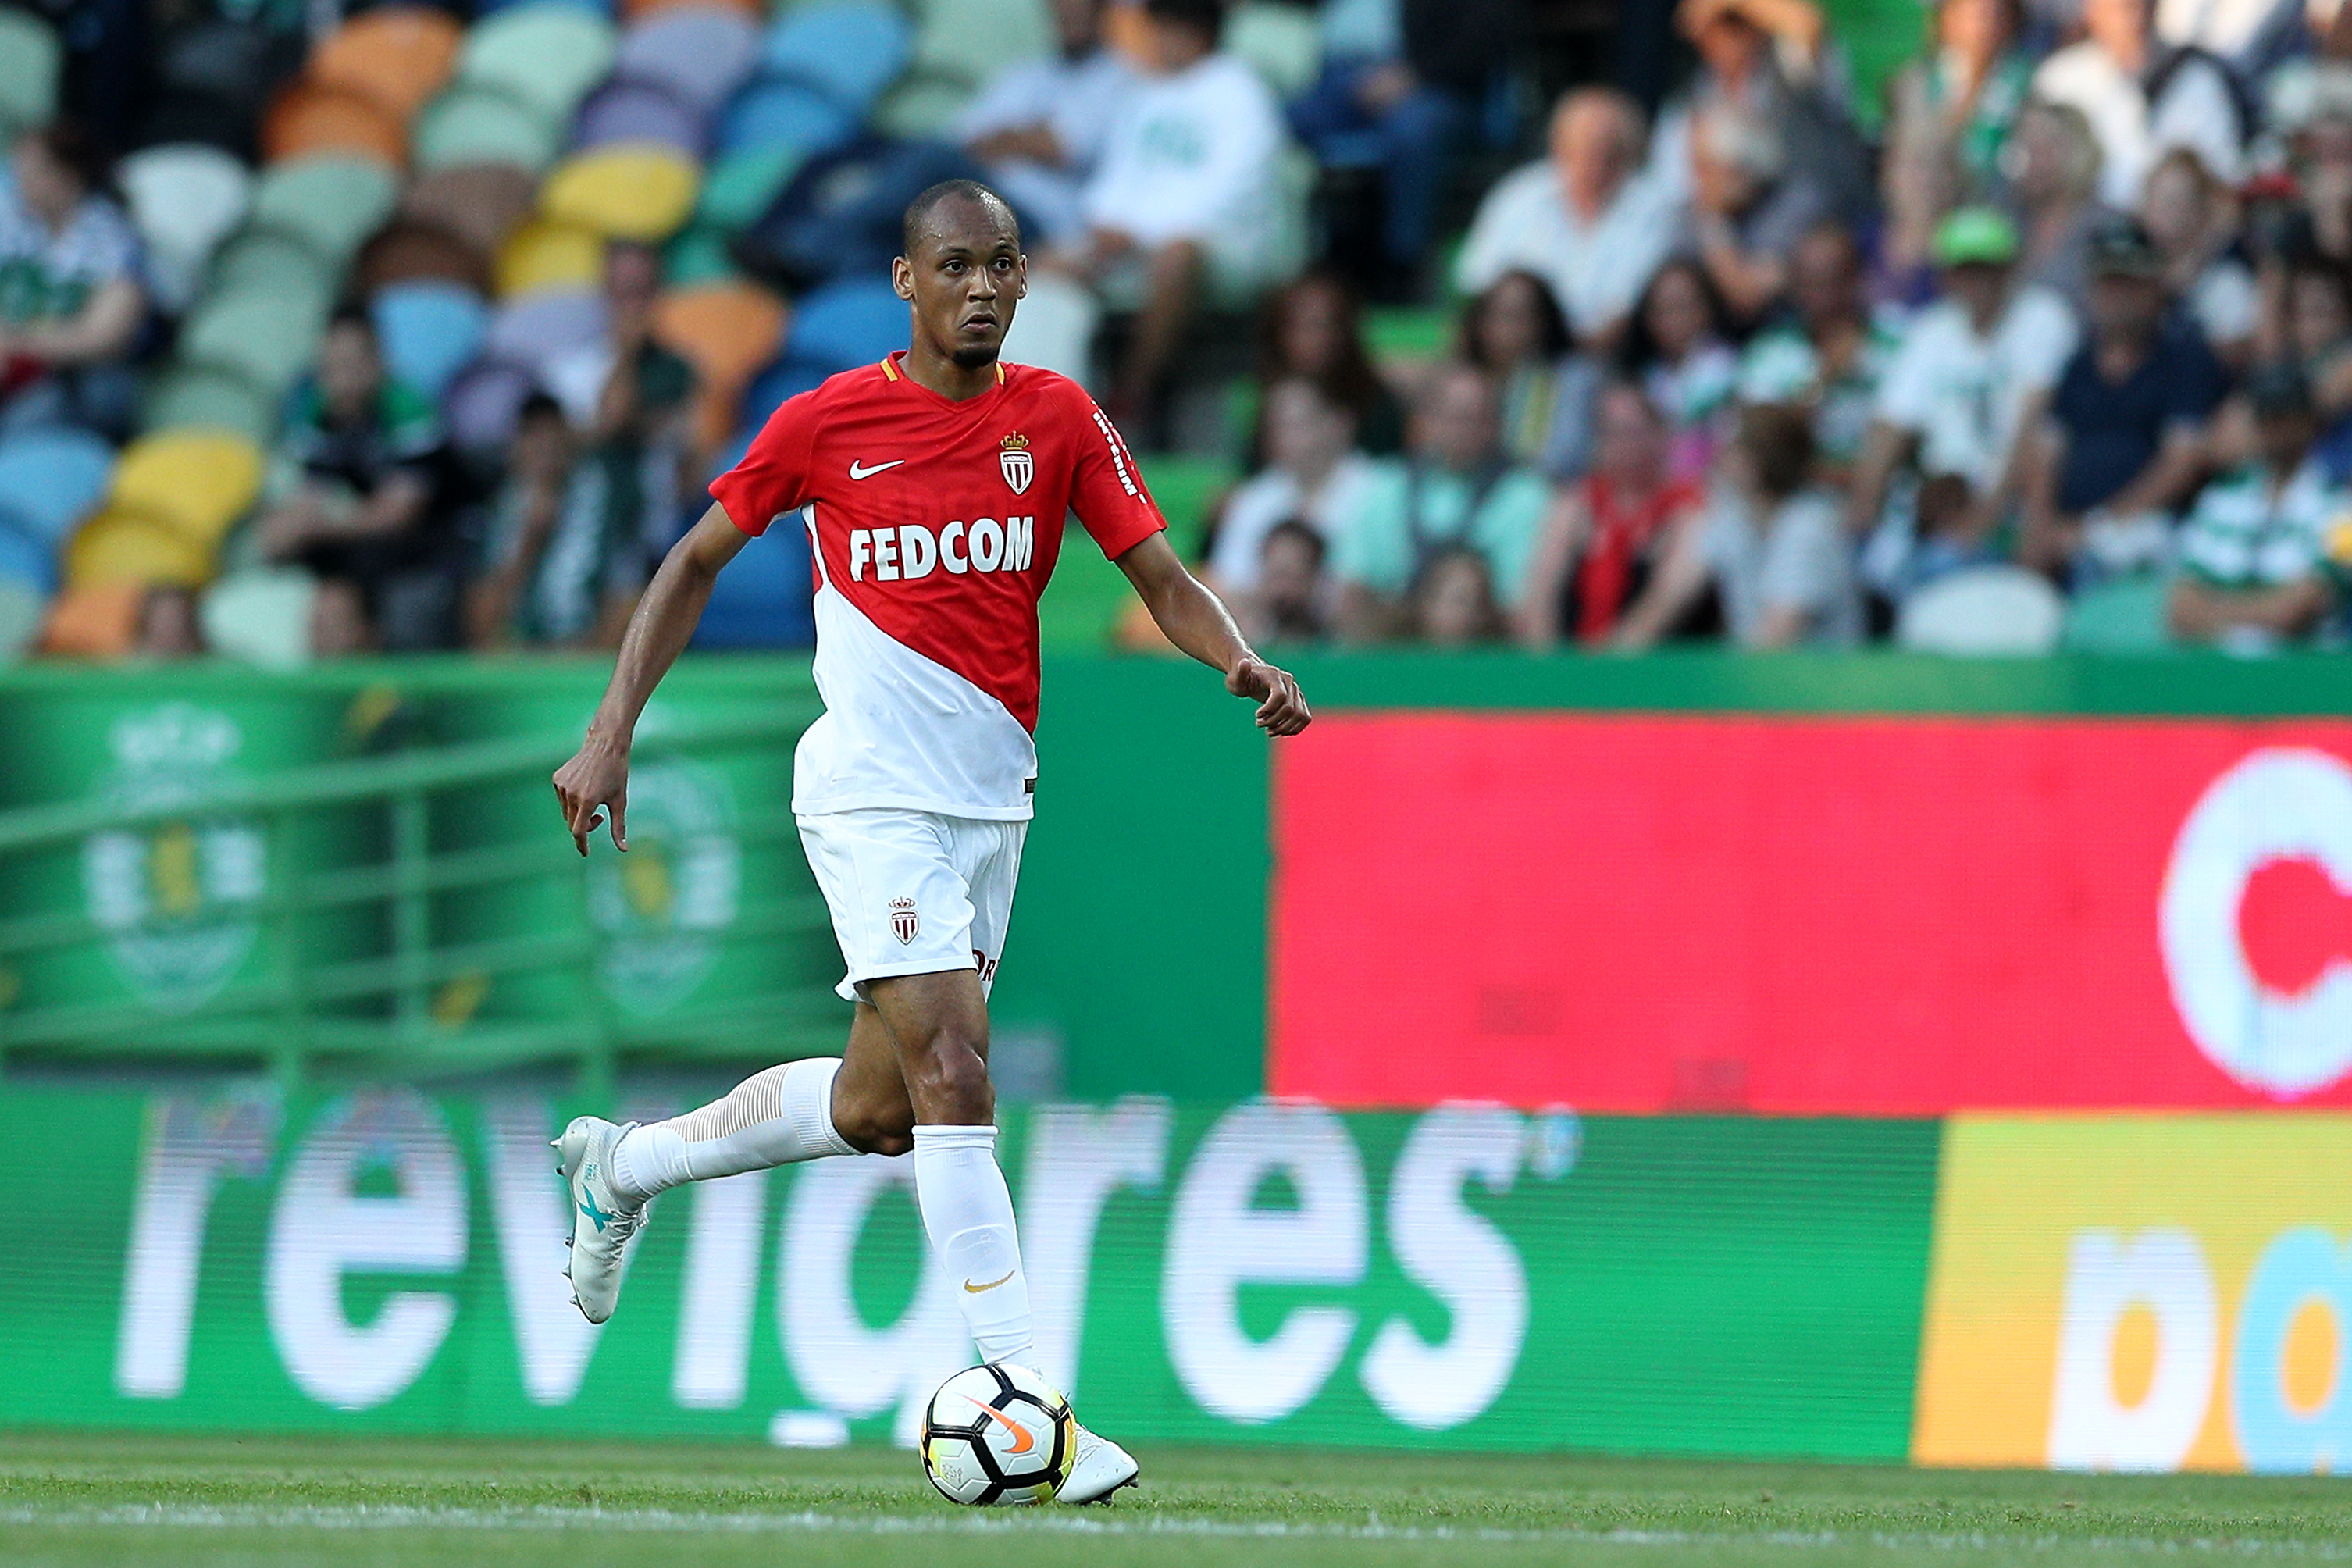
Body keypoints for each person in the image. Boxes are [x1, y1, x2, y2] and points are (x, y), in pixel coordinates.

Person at [547, 180, 1308, 1506]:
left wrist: (1236, 658)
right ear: (905, 281)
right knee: (957, 1062)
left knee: (879, 1108)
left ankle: (627, 1164)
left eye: (1003, 264)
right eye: (955, 264)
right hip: (866, 792)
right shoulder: (827, 420)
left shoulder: (1058, 417)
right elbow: (689, 563)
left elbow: (1157, 574)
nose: (983, 286)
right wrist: (611, 727)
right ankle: (1034, 1406)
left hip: (989, 801)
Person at [1064, 0, 1293, 426]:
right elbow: (1116, 178)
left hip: (1224, 245)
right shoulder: (1145, 92)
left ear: (1196, 33)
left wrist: (1139, 233)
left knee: (1176, 255)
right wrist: (1104, 223)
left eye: (1165, 28)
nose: (1156, 39)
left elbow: (1233, 189)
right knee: (1037, 265)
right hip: (1134, 242)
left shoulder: (1241, 90)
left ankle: (1130, 396)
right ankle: (1039, 404)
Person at [1848, 208, 2078, 556]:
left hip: (2010, 508)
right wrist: (1862, 508)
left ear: (2010, 269)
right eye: (1964, 270)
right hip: (1936, 504)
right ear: (1945, 276)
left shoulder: (2043, 316)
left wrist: (1982, 520)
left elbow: (2031, 428)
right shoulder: (1932, 330)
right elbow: (1890, 426)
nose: (1975, 281)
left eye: (1986, 269)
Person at [2019, 216, 2228, 582]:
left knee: (2103, 565)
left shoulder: (2185, 357)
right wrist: (2042, 526)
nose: (2118, 296)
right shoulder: (2078, 363)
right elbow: (2047, 452)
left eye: (2130, 282)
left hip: (2147, 527)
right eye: (2108, 283)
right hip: (2069, 526)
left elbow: (2182, 463)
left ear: (2154, 286)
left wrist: (2094, 527)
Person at [1285, 0, 1520, 283]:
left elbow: (1481, 47)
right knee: (1292, 117)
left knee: (1412, 131)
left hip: (1449, 90)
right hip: (1368, 76)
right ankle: (1301, 266)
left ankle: (1404, 265)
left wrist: (1415, 76)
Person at [255, 307, 447, 649]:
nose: (341, 380)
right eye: (331, 368)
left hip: (419, 552)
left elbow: (399, 515)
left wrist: (317, 528)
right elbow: (305, 498)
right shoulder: (311, 411)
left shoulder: (408, 408)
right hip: (347, 545)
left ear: (378, 363)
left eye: (352, 365)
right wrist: (282, 531)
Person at [1330, 362, 1552, 639]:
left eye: (1477, 418)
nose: (1464, 430)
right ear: (1426, 421)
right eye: (1453, 417)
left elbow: (1519, 605)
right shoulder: (1385, 486)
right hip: (1393, 646)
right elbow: (1352, 586)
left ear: (1495, 424)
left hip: (1485, 647)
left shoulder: (1525, 495)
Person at [1453, 87, 1680, 351]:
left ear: (1628, 152)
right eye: (1582, 146)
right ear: (1559, 145)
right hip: (1515, 353)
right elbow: (1478, 285)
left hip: (1615, 359)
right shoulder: (1519, 195)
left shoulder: (1653, 208)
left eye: (1607, 149)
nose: (1594, 159)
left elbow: (1632, 310)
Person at [1514, 380, 1706, 649]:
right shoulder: (1574, 504)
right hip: (1568, 671)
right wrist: (1548, 669)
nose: (1623, 444)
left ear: (1660, 434)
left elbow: (1668, 599)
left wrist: (1606, 669)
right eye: (1611, 432)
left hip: (1646, 671)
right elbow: (1539, 596)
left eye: (1633, 431)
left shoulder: (1687, 510)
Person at [2168, 362, 2347, 647]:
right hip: (2220, 674)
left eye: (2284, 415)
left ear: (2310, 420)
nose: (2273, 427)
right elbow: (2180, 610)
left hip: (2304, 678)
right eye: (2265, 415)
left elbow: (2295, 611)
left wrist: (2215, 610)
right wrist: (2261, 609)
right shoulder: (2221, 498)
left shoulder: (2343, 507)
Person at [465, 394, 648, 650]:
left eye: (552, 434)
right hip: (519, 659)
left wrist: (589, 661)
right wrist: (530, 537)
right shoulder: (502, 506)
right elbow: (480, 627)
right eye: (533, 435)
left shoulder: (606, 496)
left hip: (583, 661)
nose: (544, 447)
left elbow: (626, 592)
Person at [0, 122, 145, 437]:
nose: (20, 179)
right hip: (13, 365)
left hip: (75, 376)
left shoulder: (111, 238)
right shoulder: (13, 221)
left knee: (32, 419)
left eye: (32, 170)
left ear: (65, 177)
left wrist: (19, 345)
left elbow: (102, 337)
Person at [1734, 220, 1905, 486]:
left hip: (1885, 488)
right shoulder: (1770, 350)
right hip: (1799, 491)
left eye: (1833, 280)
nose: (1822, 296)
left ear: (1857, 278)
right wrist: (1823, 380)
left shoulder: (1897, 340)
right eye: (1809, 283)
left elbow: (1913, 429)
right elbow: (1762, 441)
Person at [2032, 0, 2247, 212]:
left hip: (2162, 237)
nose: (2135, 15)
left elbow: (2220, 177)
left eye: (2142, 4)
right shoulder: (2059, 78)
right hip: (2075, 231)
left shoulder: (2199, 80)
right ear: (2091, 9)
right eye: (2121, 6)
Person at [957, 0, 1135, 247]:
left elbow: (1059, 147)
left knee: (932, 169)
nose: (1069, 15)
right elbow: (962, 140)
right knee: (932, 162)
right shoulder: (1028, 72)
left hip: (1045, 219)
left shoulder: (1120, 77)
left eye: (1079, 10)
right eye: (1062, 9)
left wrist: (1004, 139)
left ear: (1102, 11)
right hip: (981, 195)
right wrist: (1025, 138)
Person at [1881, 0, 2036, 276]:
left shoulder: (2029, 85)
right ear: (1946, 19)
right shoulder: (1913, 83)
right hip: (1921, 225)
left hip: (1995, 222)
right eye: (1975, 14)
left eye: (1995, 15)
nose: (1984, 26)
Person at [1203, 377, 1375, 593]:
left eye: (1301, 424)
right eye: (1280, 426)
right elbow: (1229, 585)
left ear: (1337, 423)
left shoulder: (1377, 491)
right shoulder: (1251, 500)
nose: (1290, 438)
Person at [1456, 267, 1600, 477]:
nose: (1509, 328)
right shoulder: (1461, 382)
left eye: (1520, 316)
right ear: (1479, 322)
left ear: (1544, 323)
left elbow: (1562, 460)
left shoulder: (1572, 379)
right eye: (1499, 315)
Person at [1250, 272, 1405, 457]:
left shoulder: (1378, 407)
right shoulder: (1269, 402)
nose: (1316, 338)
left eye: (1325, 325)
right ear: (1279, 335)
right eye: (1302, 327)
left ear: (1345, 333)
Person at [1622, 257, 1738, 486]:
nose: (1673, 319)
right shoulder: (1648, 376)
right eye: (1662, 309)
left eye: (1682, 307)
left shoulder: (1726, 368)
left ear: (1708, 310)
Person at [2140, 147, 2256, 364]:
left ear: (2201, 210)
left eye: (2178, 202)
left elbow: (2234, 362)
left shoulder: (2227, 284)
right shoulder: (2134, 276)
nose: (2167, 214)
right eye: (2159, 201)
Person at [2006, 99, 2115, 313]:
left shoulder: (2106, 226)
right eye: (2024, 146)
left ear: (2077, 153)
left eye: (2043, 148)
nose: (2030, 160)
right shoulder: (2007, 217)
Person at [1233, 516, 1331, 642]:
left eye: (1294, 578)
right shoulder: (1240, 636)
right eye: (1276, 576)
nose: (1282, 589)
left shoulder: (1337, 641)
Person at [1408, 545, 1506, 645]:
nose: (1470, 614)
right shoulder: (1397, 653)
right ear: (1427, 602)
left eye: (1479, 603)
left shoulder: (1499, 655)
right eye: (1460, 600)